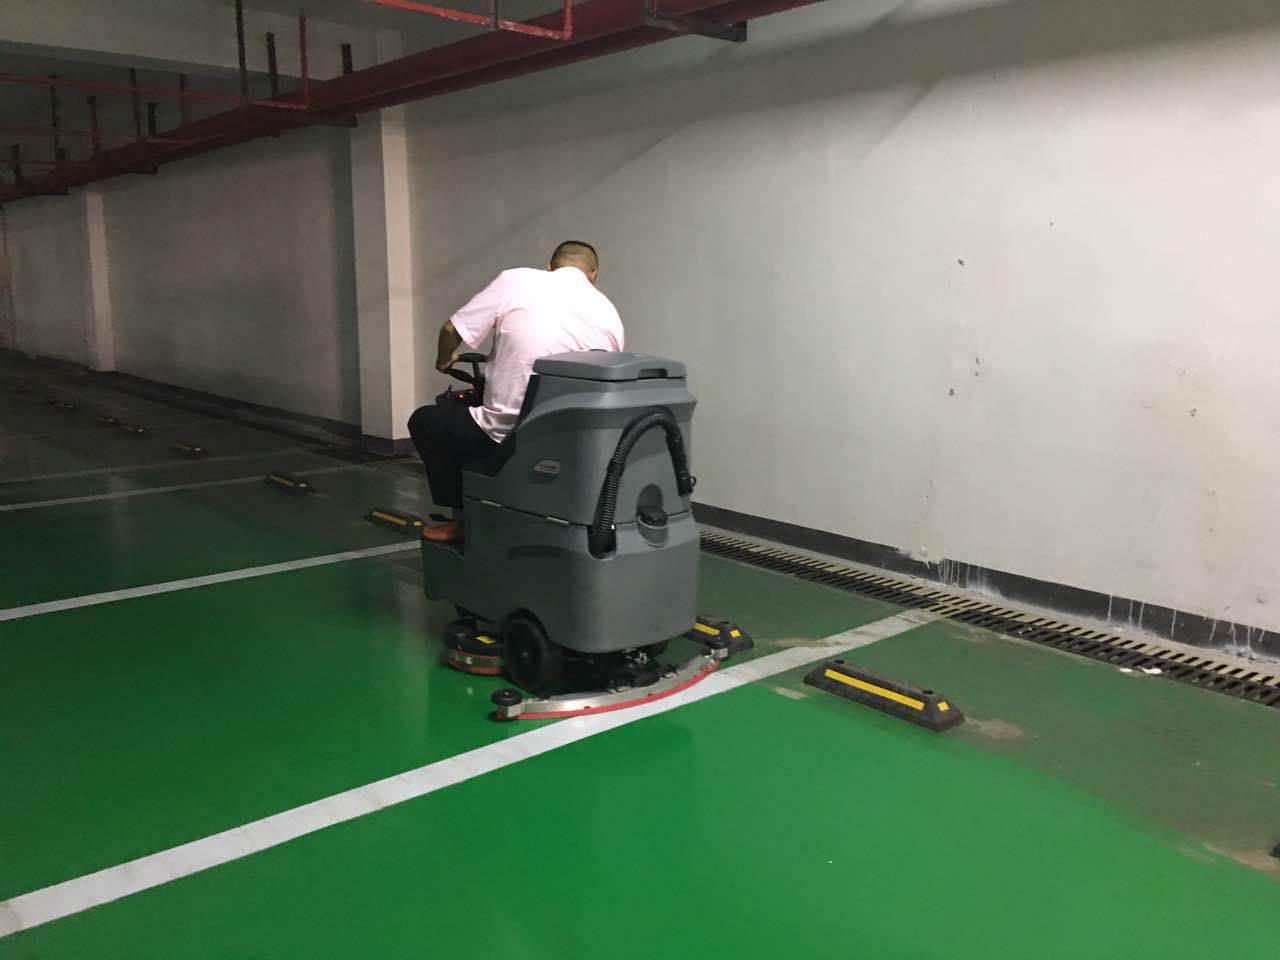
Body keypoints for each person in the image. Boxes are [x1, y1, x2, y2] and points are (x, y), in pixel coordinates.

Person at [409, 241, 624, 544]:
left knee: (427, 421)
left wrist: (444, 360)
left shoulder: (516, 280)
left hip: (513, 431)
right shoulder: (608, 310)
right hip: (574, 433)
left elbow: (450, 331)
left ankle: (463, 520)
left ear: (550, 267)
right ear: (594, 275)